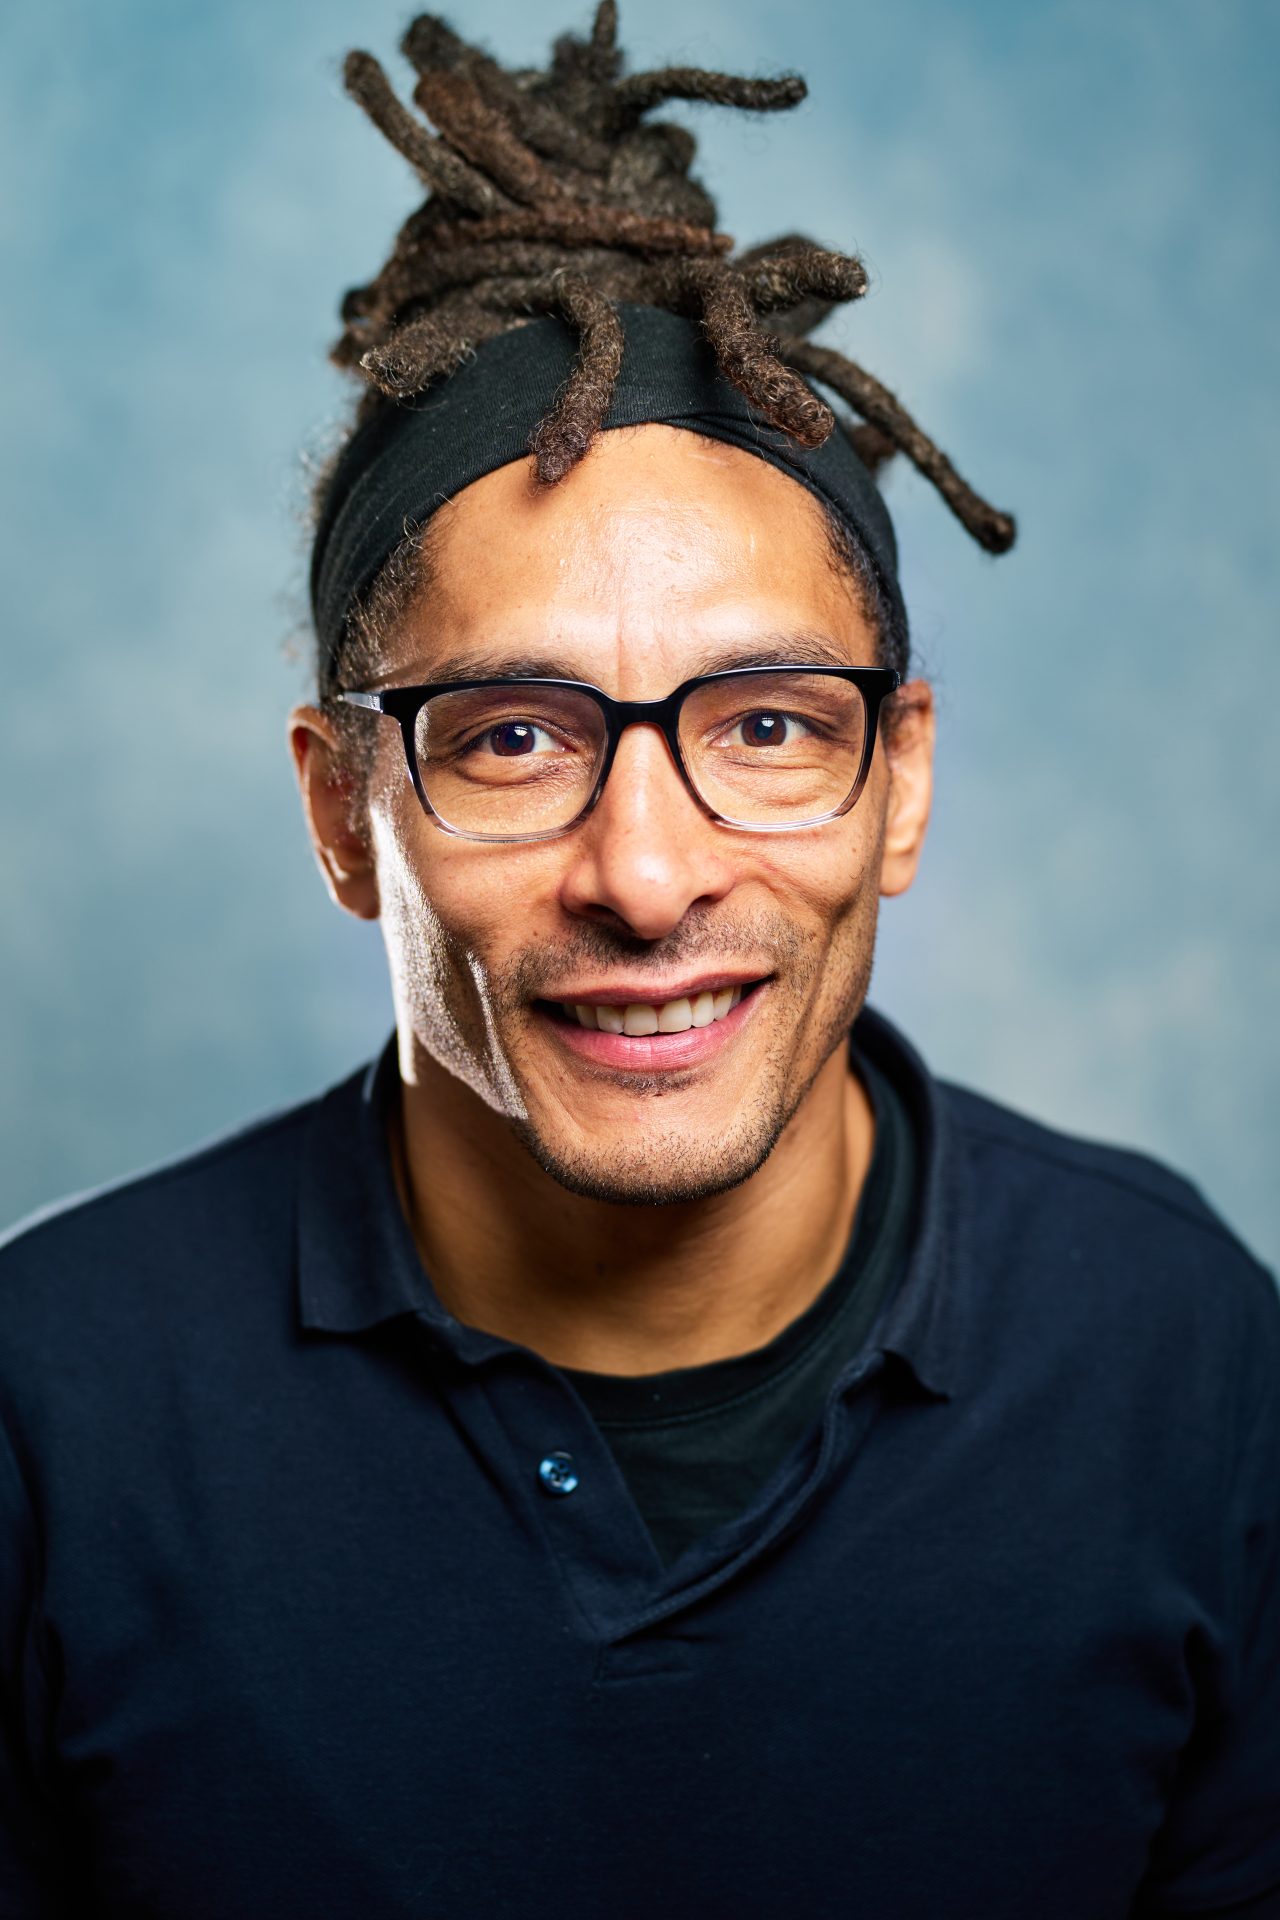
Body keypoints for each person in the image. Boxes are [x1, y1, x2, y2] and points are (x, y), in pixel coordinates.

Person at [1, 7, 1276, 1915]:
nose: (651, 875)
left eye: (766, 724)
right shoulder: (52, 1404)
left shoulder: (1185, 1354)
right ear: (345, 812)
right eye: (514, 737)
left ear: (901, 782)